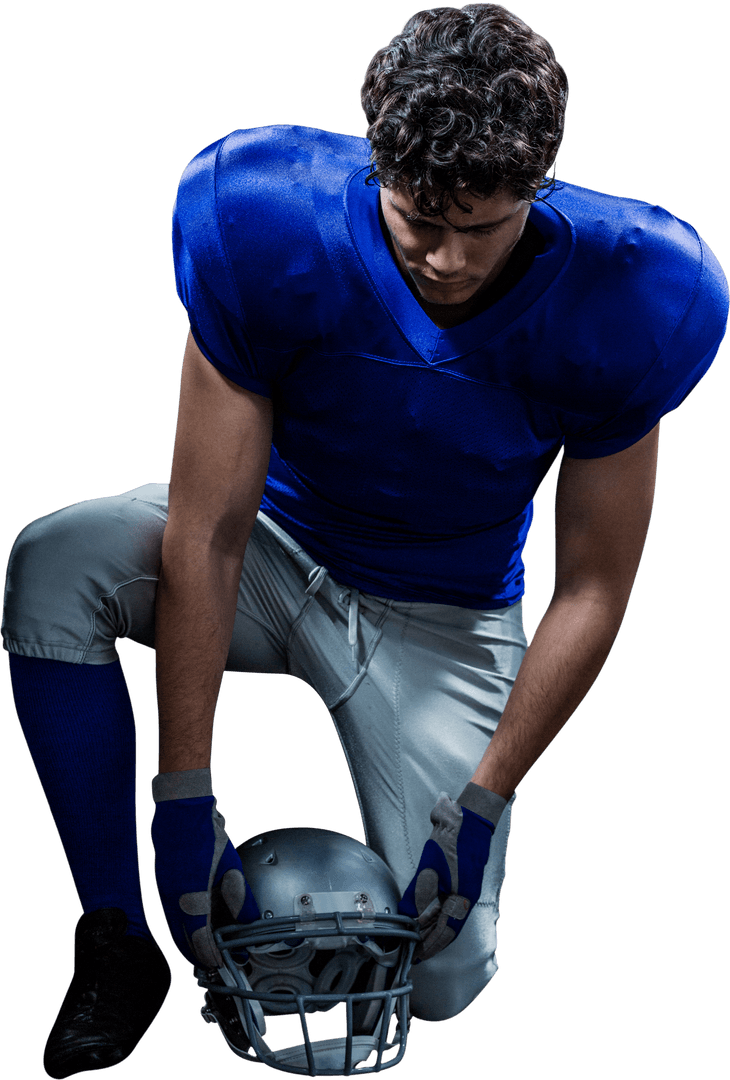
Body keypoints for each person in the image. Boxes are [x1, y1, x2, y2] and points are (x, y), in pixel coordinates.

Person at [2, 4, 727, 1078]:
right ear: (376, 164)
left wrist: (482, 807)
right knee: (55, 563)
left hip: (445, 610)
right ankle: (115, 936)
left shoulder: (639, 291)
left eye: (481, 227)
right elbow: (208, 528)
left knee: (443, 980)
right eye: (417, 219)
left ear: (539, 186)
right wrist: (182, 800)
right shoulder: (262, 215)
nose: (445, 258)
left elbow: (591, 588)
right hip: (272, 545)